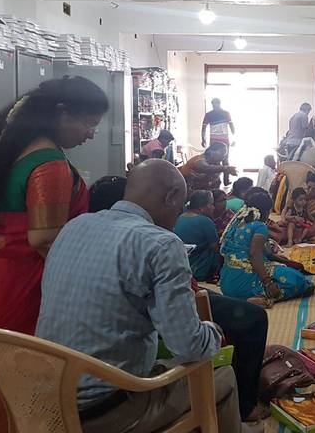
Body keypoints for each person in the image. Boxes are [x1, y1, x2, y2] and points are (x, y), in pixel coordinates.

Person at [0, 76, 109, 433]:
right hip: (16, 283)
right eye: (88, 123)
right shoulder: (49, 164)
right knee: (15, 372)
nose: (91, 134)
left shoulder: (7, 144)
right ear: (61, 113)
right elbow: (44, 239)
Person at [36, 160, 241, 433]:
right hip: (107, 410)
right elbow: (188, 347)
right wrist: (213, 331)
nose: (176, 221)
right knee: (222, 377)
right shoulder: (161, 244)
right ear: (169, 198)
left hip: (45, 401)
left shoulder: (74, 227)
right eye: (179, 210)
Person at [219, 187, 314, 306]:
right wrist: (267, 282)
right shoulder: (259, 226)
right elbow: (255, 254)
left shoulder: (236, 222)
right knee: (299, 281)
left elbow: (260, 251)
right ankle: (256, 298)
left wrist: (277, 258)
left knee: (288, 269)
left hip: (227, 284)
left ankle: (247, 298)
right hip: (244, 283)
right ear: (265, 211)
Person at [174, 190, 222, 282]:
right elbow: (215, 247)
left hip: (182, 264)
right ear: (201, 207)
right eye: (211, 204)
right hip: (198, 268)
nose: (213, 207)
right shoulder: (205, 221)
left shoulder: (181, 217)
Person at [201, 99, 235, 186]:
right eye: (213, 105)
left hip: (222, 140)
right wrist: (203, 138)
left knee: (224, 160)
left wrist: (234, 138)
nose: (215, 106)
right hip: (216, 141)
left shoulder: (224, 113)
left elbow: (232, 127)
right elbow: (204, 128)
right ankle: (217, 180)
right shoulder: (209, 114)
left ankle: (225, 180)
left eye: (216, 105)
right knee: (215, 161)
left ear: (219, 104)